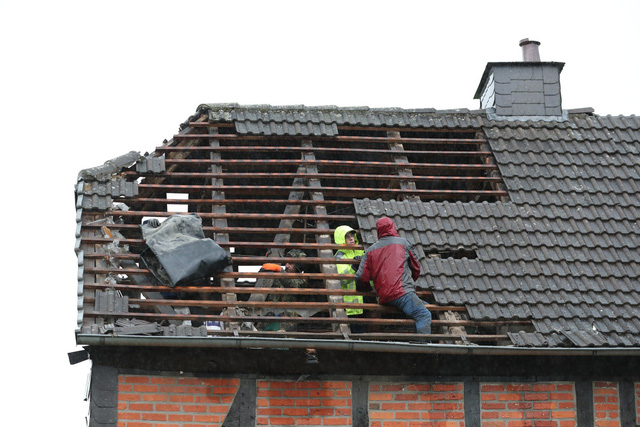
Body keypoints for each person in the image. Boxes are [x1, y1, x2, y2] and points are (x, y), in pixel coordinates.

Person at [354, 217, 431, 337]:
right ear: (392, 227)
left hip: (384, 296)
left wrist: (367, 289)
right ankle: (422, 346)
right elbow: (416, 268)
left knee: (424, 306)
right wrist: (409, 285)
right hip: (402, 293)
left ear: (378, 230)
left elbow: (360, 277)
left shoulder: (370, 251)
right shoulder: (403, 243)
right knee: (424, 315)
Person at [258, 249, 308, 331]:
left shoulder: (303, 280)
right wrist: (267, 267)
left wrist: (279, 270)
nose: (287, 266)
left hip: (288, 319)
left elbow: (292, 284)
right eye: (286, 263)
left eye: (291, 264)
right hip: (271, 315)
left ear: (299, 265)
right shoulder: (280, 276)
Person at [334, 225, 366, 332]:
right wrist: (354, 267)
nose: (351, 238)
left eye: (352, 235)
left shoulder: (361, 251)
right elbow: (341, 280)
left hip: (364, 302)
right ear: (341, 239)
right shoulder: (339, 257)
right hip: (350, 307)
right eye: (347, 237)